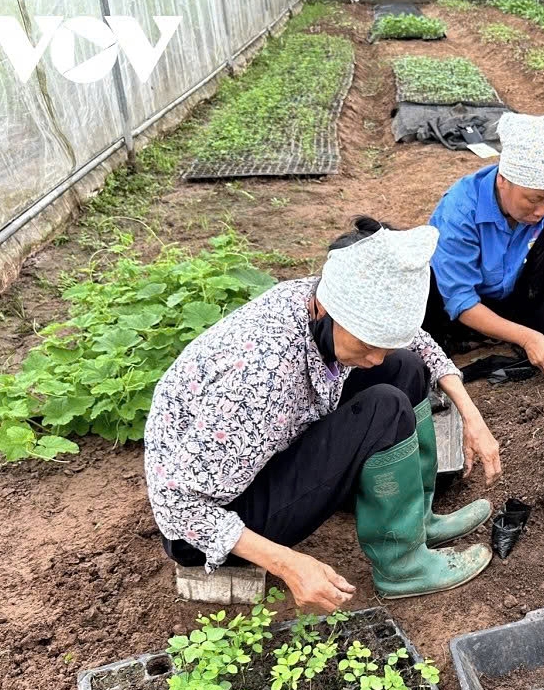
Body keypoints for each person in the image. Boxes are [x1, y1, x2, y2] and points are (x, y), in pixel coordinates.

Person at [144, 217, 503, 612]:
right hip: (210, 528)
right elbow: (177, 507)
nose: (374, 357)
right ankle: (403, 567)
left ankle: (418, 521)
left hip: (258, 454)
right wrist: (289, 564)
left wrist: (471, 414)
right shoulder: (263, 377)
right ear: (329, 310)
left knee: (405, 367)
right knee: (385, 407)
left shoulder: (319, 299)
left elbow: (413, 343)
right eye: (367, 343)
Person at [425, 112, 544, 380]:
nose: (541, 210)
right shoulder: (461, 208)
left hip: (516, 302)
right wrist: (526, 338)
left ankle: (533, 332)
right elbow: (460, 298)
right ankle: (485, 338)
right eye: (533, 199)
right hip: (461, 313)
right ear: (502, 180)